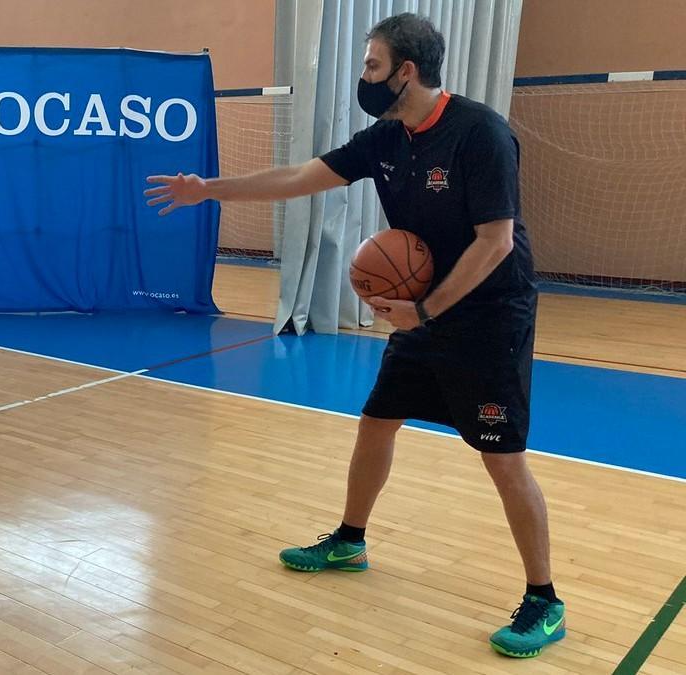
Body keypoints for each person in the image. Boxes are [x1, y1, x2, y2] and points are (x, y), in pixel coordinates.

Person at [144, 13, 564, 659]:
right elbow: (299, 178)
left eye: (371, 66)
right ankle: (350, 538)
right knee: (377, 421)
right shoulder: (386, 139)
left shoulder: (480, 133)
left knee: (502, 459)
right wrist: (209, 190)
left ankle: (545, 599)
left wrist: (426, 310)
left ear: (406, 71)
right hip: (425, 313)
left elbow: (495, 241)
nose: (364, 77)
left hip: (489, 316)